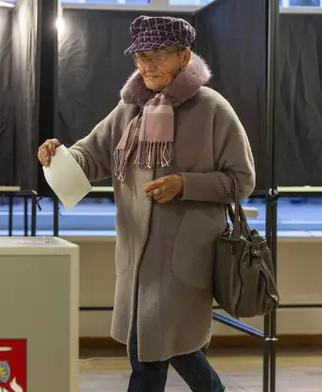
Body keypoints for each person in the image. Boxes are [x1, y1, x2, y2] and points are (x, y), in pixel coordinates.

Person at [38, 15, 255, 392]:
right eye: (140, 55)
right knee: (167, 351)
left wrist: (184, 185)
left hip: (185, 260)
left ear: (184, 56)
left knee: (153, 356)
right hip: (136, 261)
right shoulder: (130, 109)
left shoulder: (213, 110)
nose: (145, 65)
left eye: (156, 55)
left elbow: (242, 180)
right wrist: (57, 154)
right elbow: (90, 157)